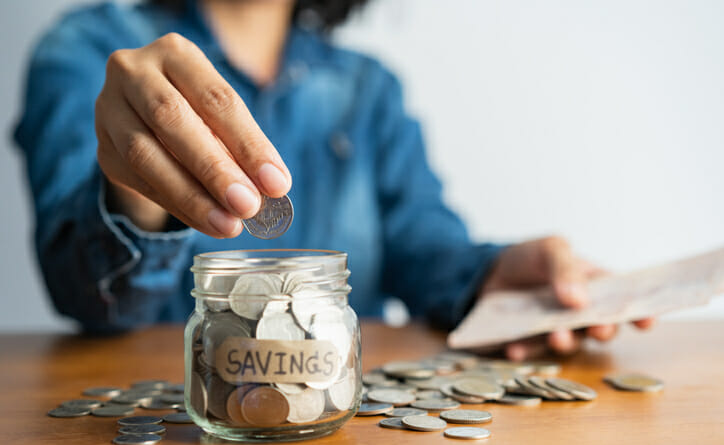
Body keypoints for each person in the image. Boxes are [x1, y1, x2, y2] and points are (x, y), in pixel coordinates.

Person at [14, 0, 652, 360]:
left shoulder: (369, 88)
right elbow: (84, 295)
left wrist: (492, 275)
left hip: (344, 428)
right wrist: (134, 191)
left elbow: (423, 247)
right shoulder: (89, 52)